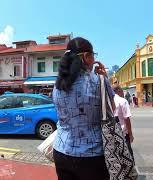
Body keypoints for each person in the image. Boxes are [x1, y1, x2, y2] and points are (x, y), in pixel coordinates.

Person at [52, 37, 113, 180]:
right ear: (86, 57)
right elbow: (112, 109)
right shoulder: (99, 81)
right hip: (91, 155)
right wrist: (104, 77)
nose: (94, 59)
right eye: (93, 55)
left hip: (61, 151)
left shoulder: (58, 85)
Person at [113, 85, 135, 158]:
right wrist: (131, 134)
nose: (123, 93)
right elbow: (126, 119)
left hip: (112, 133)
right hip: (123, 134)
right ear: (119, 91)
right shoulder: (122, 101)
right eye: (122, 91)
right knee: (128, 155)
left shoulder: (108, 100)